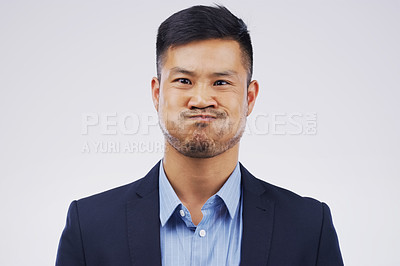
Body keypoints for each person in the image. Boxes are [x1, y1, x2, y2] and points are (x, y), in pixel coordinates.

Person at [56, 5, 343, 266]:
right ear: (157, 93)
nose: (201, 99)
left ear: (250, 97)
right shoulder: (90, 227)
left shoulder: (308, 227)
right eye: (184, 81)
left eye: (221, 82)